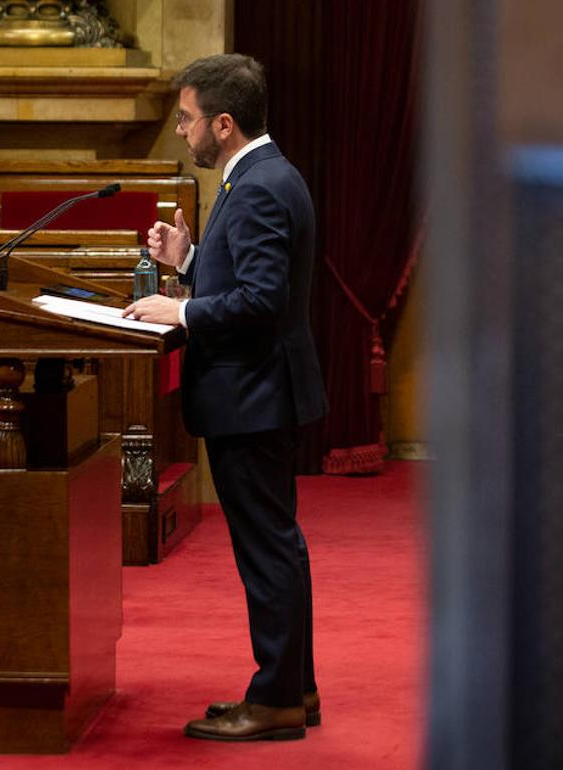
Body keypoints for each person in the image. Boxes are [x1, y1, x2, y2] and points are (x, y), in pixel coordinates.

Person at [122, 53, 327, 742]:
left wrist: (179, 310)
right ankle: (294, 688)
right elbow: (247, 276)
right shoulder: (264, 177)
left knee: (268, 549)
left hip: (253, 394)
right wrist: (191, 262)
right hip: (258, 392)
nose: (182, 132)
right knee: (276, 545)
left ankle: (274, 701)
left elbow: (263, 300)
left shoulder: (260, 186)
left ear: (225, 123)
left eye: (187, 119)